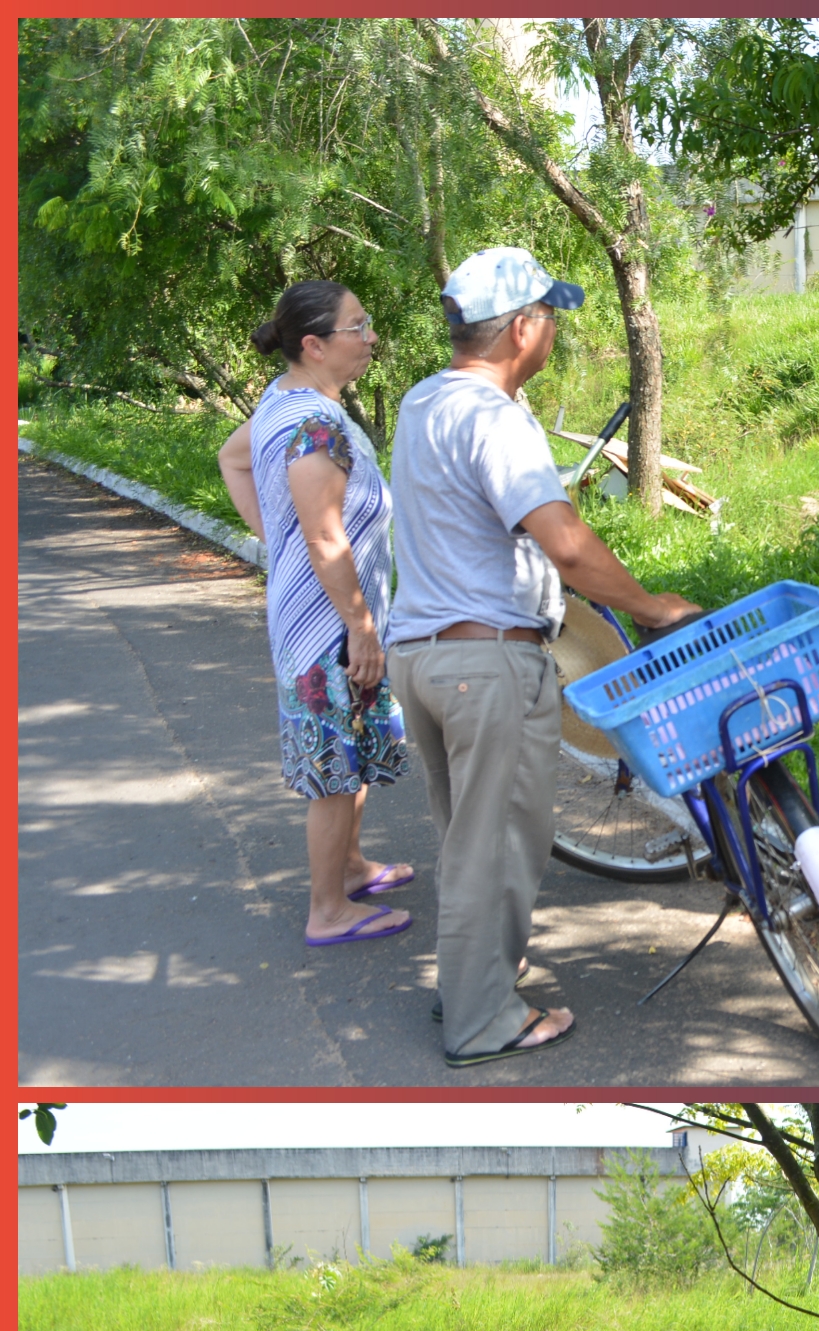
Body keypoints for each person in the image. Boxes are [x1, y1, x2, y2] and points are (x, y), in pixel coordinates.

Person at [386, 246, 698, 1069]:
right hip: (485, 665)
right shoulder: (493, 418)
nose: (553, 330)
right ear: (522, 329)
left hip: (422, 657)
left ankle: (469, 983)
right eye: (549, 316)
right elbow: (564, 540)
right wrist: (650, 605)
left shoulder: (423, 402)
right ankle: (484, 1021)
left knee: (467, 840)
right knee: (496, 848)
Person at [219, 281, 413, 948]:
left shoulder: (286, 401)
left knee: (351, 749)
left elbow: (232, 458)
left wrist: (276, 536)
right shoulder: (316, 428)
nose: (370, 337)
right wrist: (360, 625)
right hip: (329, 628)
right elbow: (325, 539)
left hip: (321, 615)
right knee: (334, 770)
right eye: (356, 326)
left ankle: (352, 868)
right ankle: (328, 909)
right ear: (314, 344)